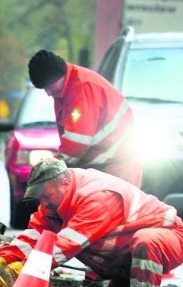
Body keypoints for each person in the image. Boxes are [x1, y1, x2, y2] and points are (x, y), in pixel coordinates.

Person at [0, 157, 183, 287]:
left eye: (46, 197)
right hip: (124, 263)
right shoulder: (54, 203)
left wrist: (17, 271)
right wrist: (0, 261)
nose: (43, 204)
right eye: (40, 199)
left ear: (64, 183)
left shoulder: (97, 198)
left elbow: (62, 248)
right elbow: (34, 236)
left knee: (145, 243)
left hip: (169, 236)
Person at [27, 49, 143, 187]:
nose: (48, 92)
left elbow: (77, 141)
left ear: (58, 75)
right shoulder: (63, 90)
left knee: (110, 207)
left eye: (48, 87)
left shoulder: (82, 88)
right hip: (105, 162)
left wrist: (54, 167)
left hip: (118, 164)